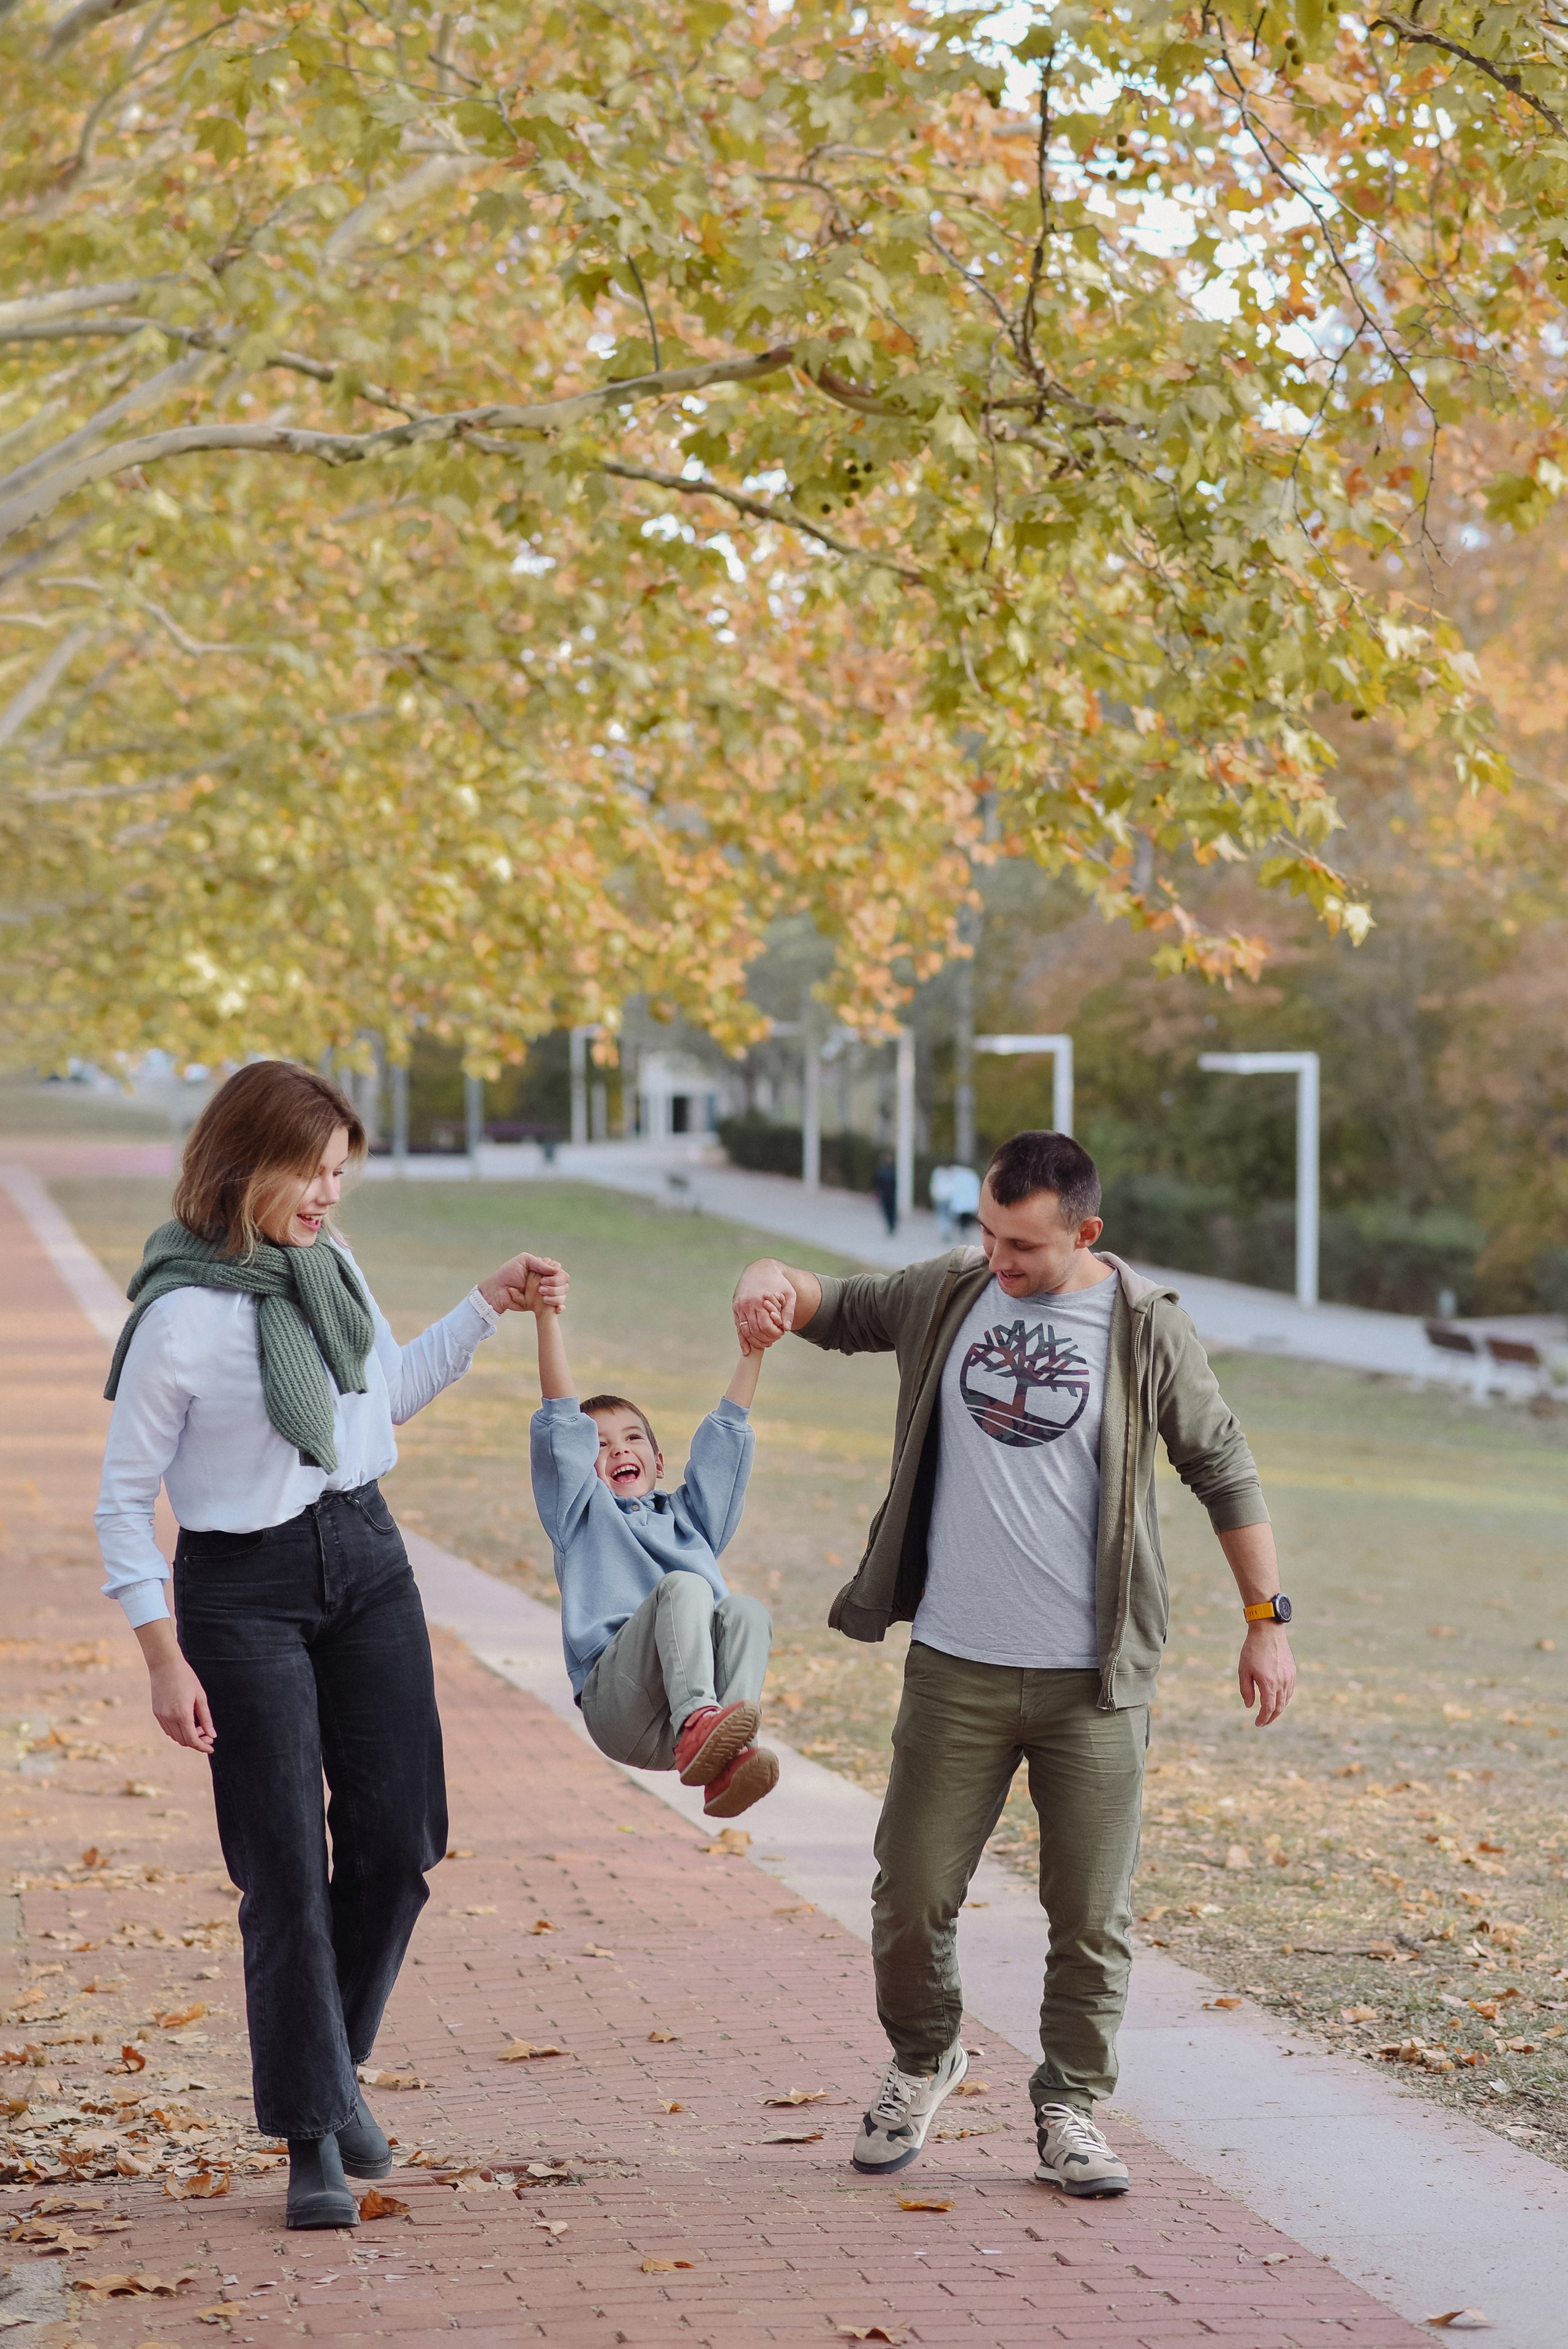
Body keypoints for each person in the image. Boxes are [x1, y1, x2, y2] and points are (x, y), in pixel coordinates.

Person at [732, 1129, 1294, 2198]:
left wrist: (1267, 1618)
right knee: (909, 1894)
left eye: (1024, 1246)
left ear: (1086, 1233)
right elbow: (829, 1304)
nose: (999, 1259)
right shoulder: (950, 1291)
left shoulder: (1143, 1326)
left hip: (1094, 1682)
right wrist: (768, 1279)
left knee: (1090, 1916)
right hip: (958, 1667)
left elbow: (1220, 1463)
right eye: (986, 1232)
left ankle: (1070, 2109)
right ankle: (924, 2057)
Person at [94, 1060, 567, 2231]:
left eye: (340, 1173)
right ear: (242, 1164)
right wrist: (163, 1656)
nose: (328, 1196)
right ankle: (312, 2138)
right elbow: (120, 1502)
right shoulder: (178, 1318)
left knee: (404, 1838)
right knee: (286, 1871)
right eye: (310, 1172)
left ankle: (332, 2074)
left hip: (365, 1559)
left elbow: (382, 1395)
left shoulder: (332, 1272)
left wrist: (488, 1303)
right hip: (240, 1593)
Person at [527, 1285, 778, 1817]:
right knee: (686, 1586)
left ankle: (726, 1763)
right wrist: (547, 1318)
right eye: (598, 1444)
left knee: (746, 1611)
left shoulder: (691, 1518)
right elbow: (559, 1422)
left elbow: (726, 1438)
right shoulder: (580, 1517)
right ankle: (700, 1727)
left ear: (658, 1461)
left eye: (633, 1437)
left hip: (687, 1700)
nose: (618, 1448)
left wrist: (753, 1352)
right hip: (620, 1705)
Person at [873, 1152, 899, 1237]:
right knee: (887, 1211)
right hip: (885, 1194)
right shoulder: (882, 1170)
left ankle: (892, 1225)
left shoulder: (893, 1171)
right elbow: (877, 1182)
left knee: (892, 1211)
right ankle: (890, 1225)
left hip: (891, 1194)